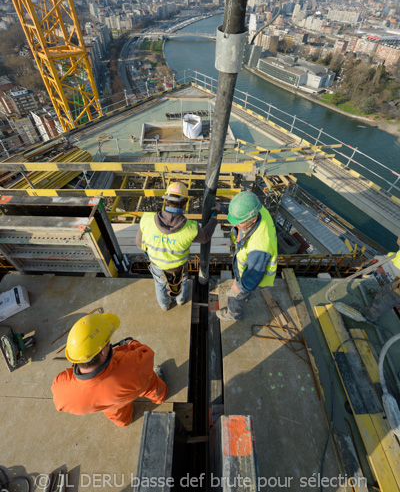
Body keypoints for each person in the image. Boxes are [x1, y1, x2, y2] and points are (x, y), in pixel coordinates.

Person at [51, 313, 167, 427]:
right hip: (136, 386)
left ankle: (124, 421)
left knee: (117, 413)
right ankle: (159, 397)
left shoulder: (60, 388)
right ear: (102, 352)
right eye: (108, 343)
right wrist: (131, 343)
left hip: (110, 406)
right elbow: (146, 354)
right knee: (150, 384)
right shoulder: (133, 365)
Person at [136, 181, 220, 310]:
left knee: (160, 285)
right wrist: (214, 217)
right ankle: (181, 301)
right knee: (181, 282)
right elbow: (206, 236)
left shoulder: (146, 219)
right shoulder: (191, 228)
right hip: (178, 267)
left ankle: (164, 305)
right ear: (185, 202)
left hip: (157, 265)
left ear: (166, 201)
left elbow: (139, 244)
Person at [216, 190, 277, 321]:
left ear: (253, 219)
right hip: (248, 264)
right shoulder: (257, 211)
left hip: (251, 275)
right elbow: (242, 214)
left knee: (235, 295)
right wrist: (223, 209)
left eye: (238, 222)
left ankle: (234, 314)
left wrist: (240, 287)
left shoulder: (260, 246)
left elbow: (254, 275)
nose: (234, 224)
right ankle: (245, 294)